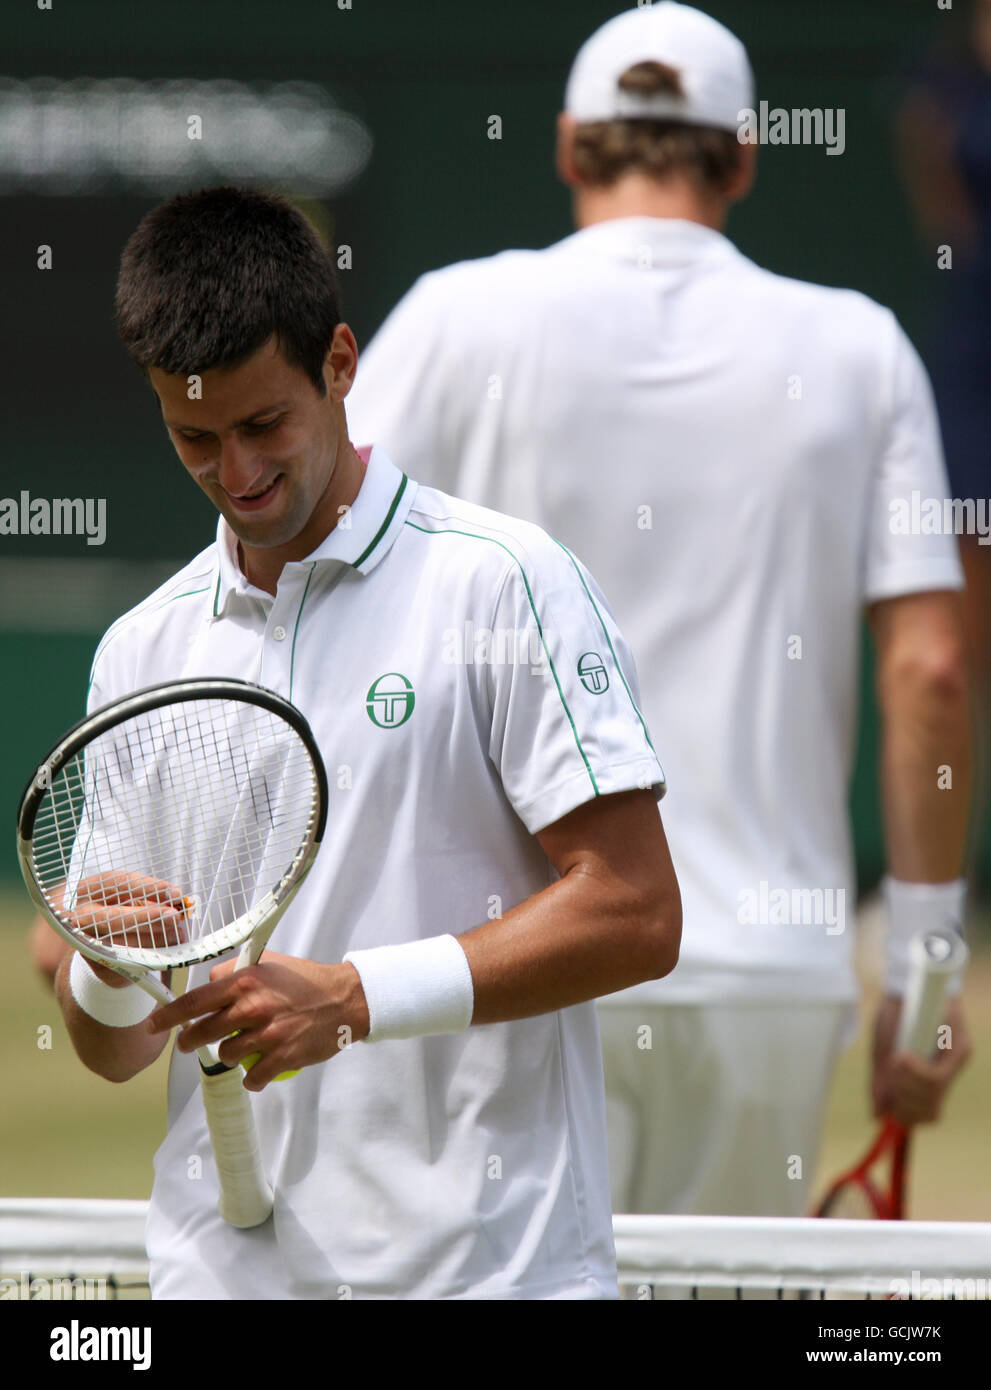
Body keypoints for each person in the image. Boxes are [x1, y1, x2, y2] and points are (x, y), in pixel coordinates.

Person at [345, 2, 974, 1223]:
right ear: (739, 156)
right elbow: (932, 672)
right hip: (760, 985)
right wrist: (927, 972)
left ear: (574, 146)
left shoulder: (453, 317)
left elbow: (318, 567)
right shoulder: (861, 348)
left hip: (508, 963)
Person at [42, 184, 681, 1300]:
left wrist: (351, 996)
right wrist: (103, 973)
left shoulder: (505, 583)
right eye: (195, 436)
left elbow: (635, 910)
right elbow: (117, 1045)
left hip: (490, 1275)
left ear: (339, 364)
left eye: (262, 426)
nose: (234, 474)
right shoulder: (139, 651)